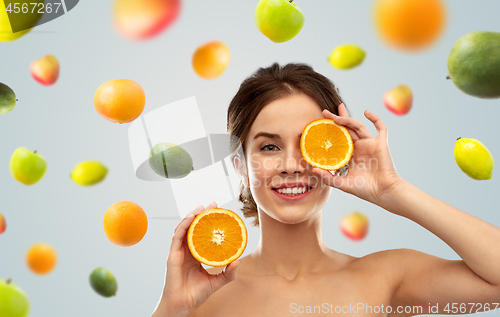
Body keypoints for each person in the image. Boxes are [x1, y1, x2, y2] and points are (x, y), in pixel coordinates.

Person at [152, 63, 500, 316]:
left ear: (337, 154)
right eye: (269, 147)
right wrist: (171, 308)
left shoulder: (385, 280)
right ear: (241, 166)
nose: (291, 164)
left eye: (308, 144)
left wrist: (393, 190)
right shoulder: (200, 298)